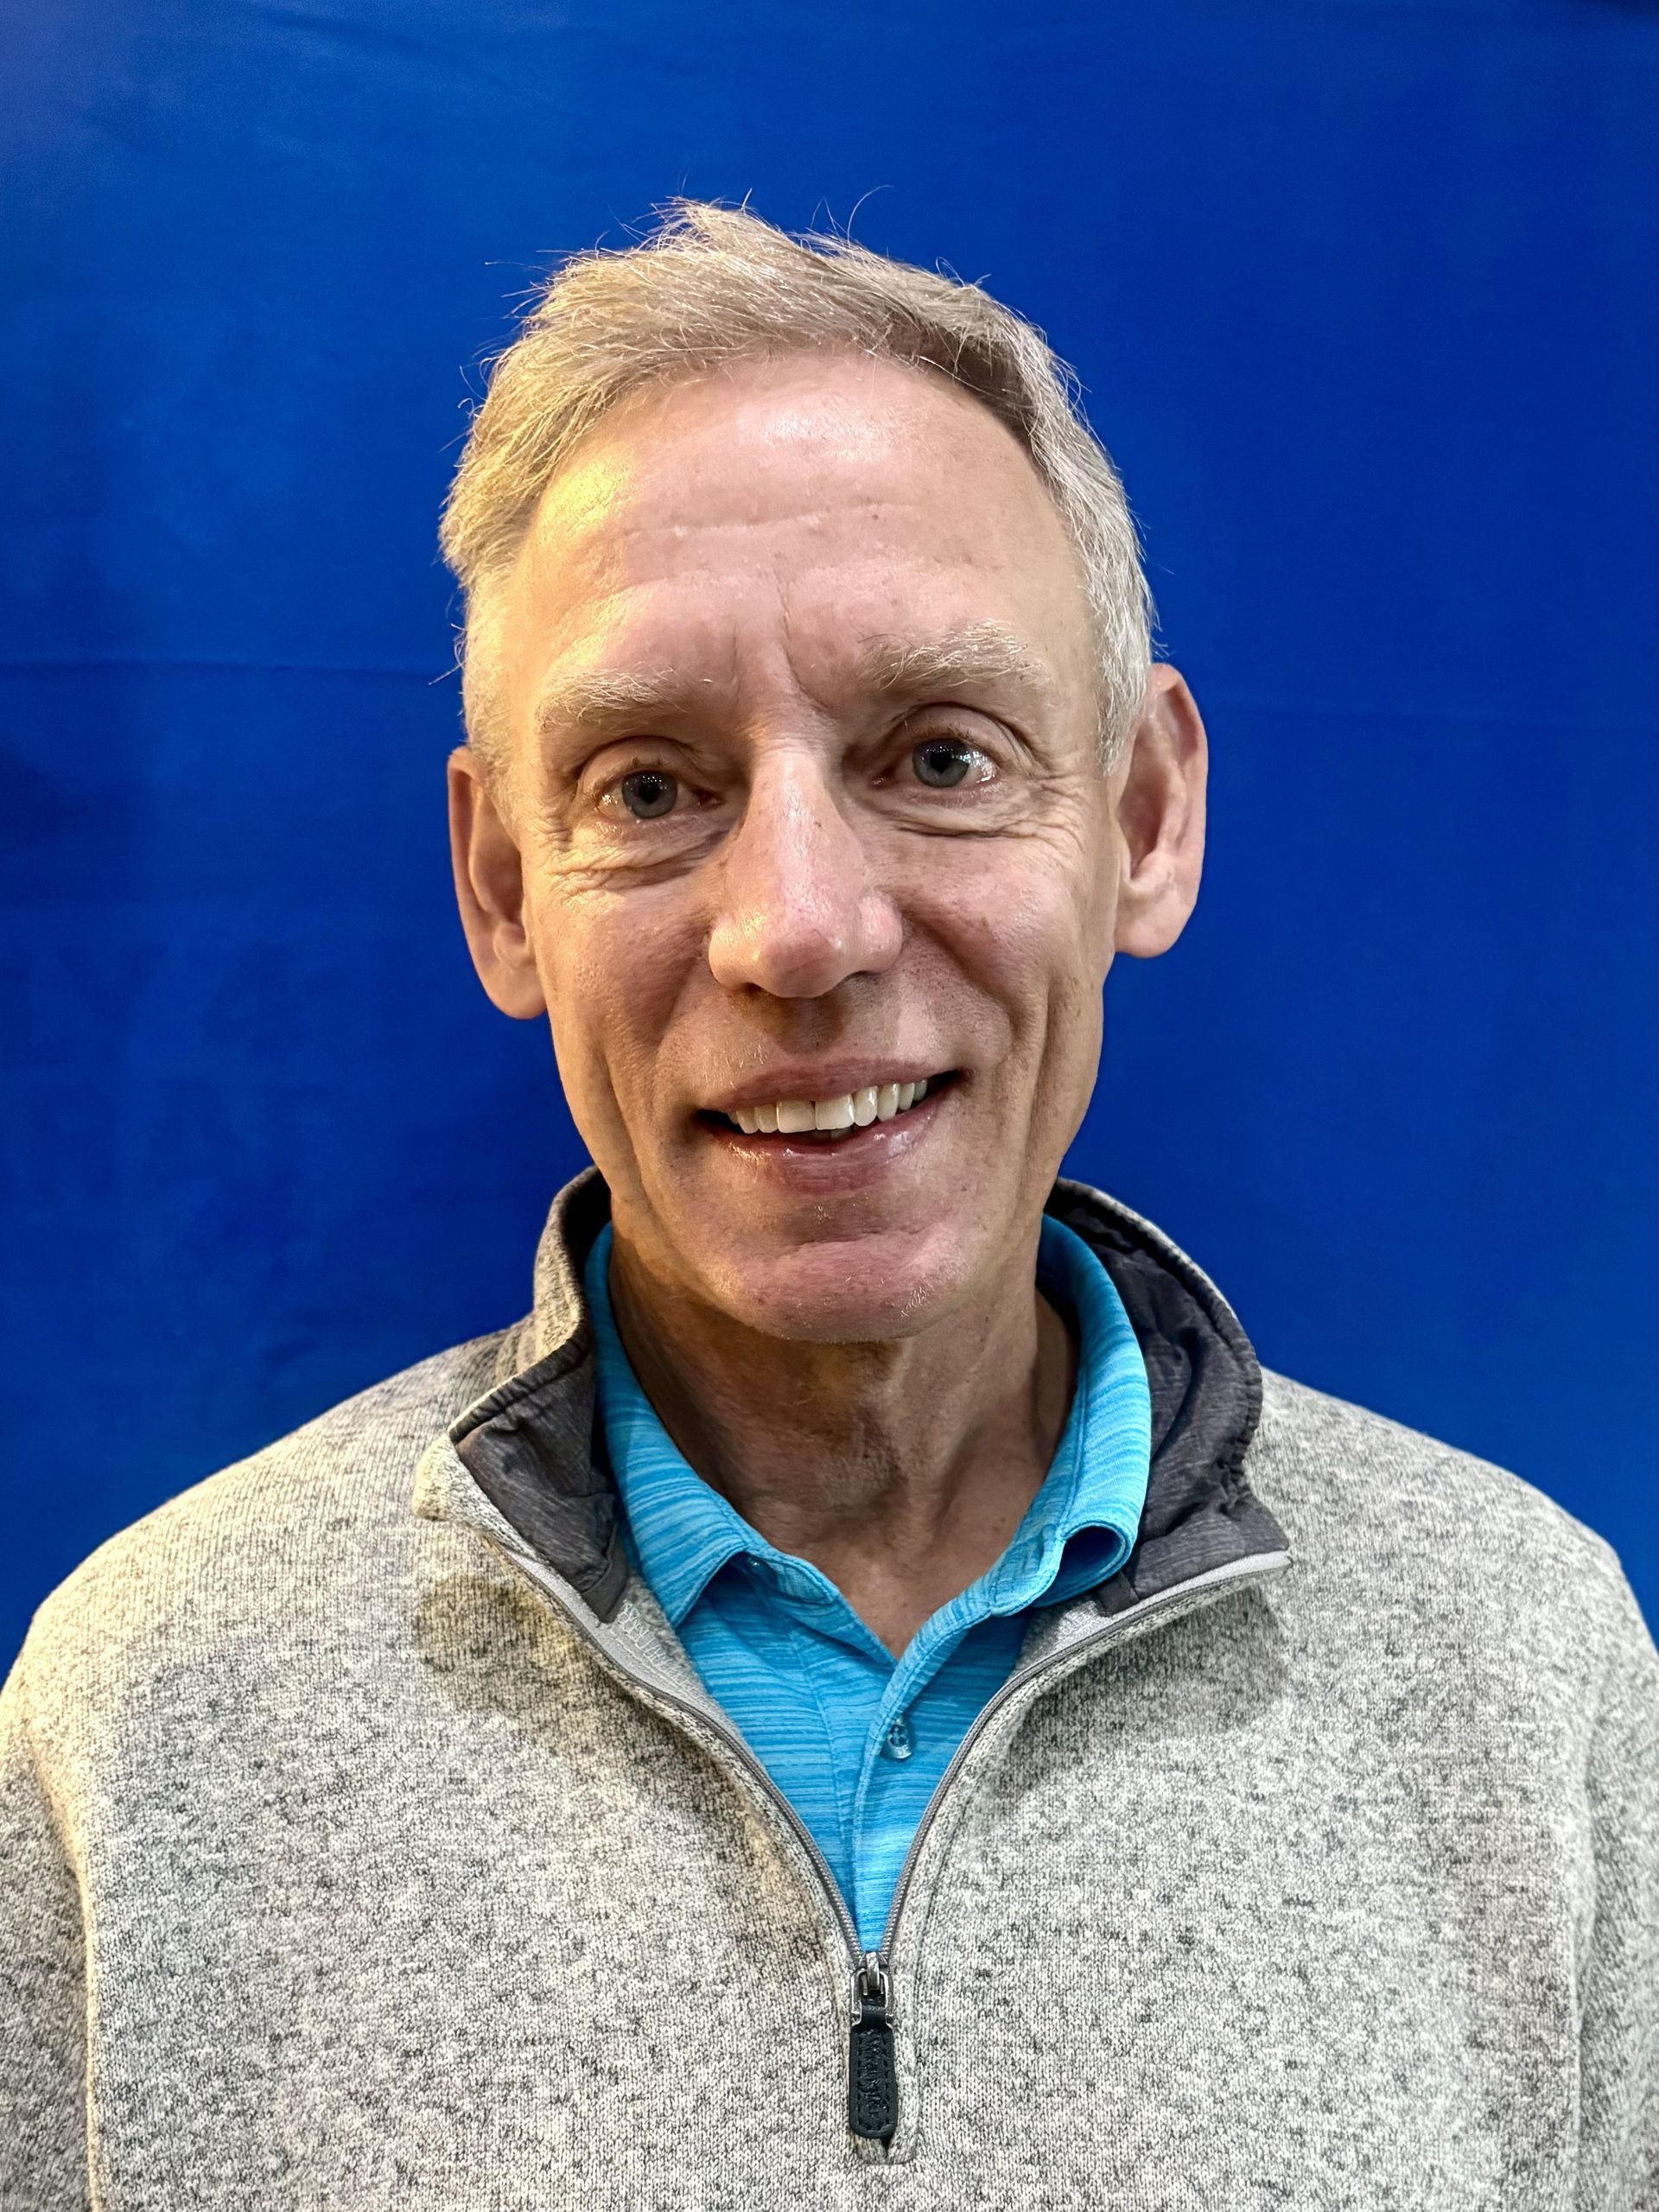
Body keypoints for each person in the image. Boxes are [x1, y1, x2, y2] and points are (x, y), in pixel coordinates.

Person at [2, 200, 1653, 2212]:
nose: (798, 926)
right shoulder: (144, 1730)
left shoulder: (1532, 1672)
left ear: (1141, 816)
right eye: (648, 785)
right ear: (501, 884)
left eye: (940, 753)